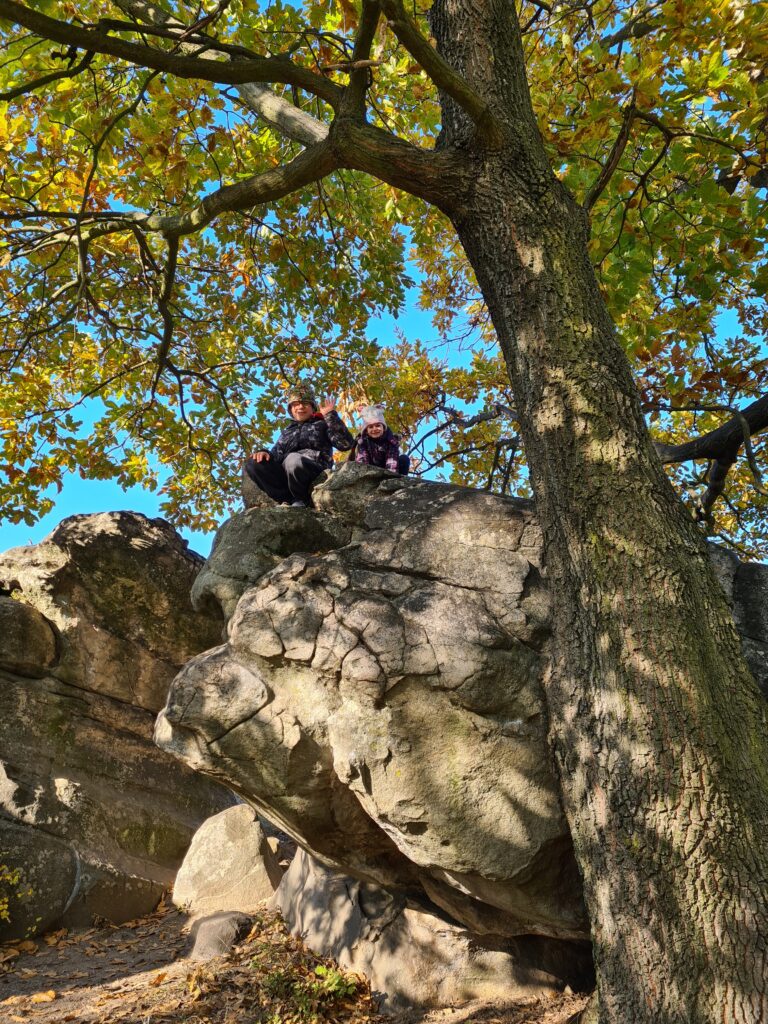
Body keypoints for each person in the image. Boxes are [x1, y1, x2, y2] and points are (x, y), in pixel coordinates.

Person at [245, 390, 354, 507]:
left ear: (313, 408)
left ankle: (301, 499)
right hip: (288, 473)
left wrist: (330, 416)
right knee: (253, 463)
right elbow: (275, 455)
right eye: (296, 404)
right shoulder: (287, 431)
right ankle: (288, 500)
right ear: (291, 409)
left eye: (305, 403)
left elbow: (345, 444)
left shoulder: (322, 424)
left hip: (314, 470)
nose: (301, 407)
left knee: (293, 459)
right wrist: (263, 452)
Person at [354, 406, 410, 475]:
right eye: (371, 427)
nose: (374, 429)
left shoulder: (390, 440)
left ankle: (400, 479)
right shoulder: (363, 441)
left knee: (404, 459)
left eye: (378, 425)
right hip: (371, 469)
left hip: (387, 469)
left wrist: (390, 476)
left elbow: (392, 460)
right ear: (366, 431)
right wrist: (364, 475)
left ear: (383, 427)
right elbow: (362, 459)